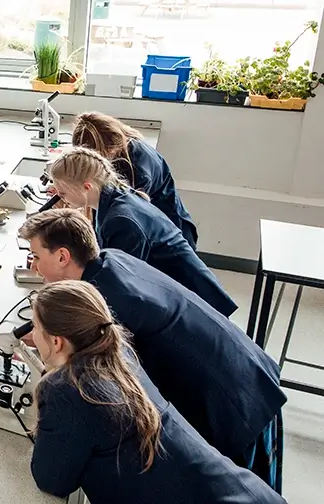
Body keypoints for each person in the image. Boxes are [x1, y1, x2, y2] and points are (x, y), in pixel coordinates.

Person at [14, 208, 286, 493]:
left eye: (36, 256)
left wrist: (49, 360)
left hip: (234, 402)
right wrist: (49, 336)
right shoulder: (109, 262)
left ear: (62, 257)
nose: (34, 265)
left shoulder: (113, 303)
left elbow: (85, 380)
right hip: (245, 368)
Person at [23, 280, 286, 504]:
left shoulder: (66, 393)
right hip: (239, 490)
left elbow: (51, 479)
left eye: (35, 327)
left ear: (57, 341)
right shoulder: (118, 352)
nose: (31, 334)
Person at [48, 147, 237, 317]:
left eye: (63, 193)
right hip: (182, 293)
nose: (61, 198)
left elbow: (118, 283)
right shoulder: (114, 197)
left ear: (86, 187)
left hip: (196, 304)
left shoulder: (121, 221)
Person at [72, 111, 198, 249]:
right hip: (153, 234)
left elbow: (121, 210)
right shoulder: (125, 148)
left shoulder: (137, 166)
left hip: (167, 238)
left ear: (110, 147)